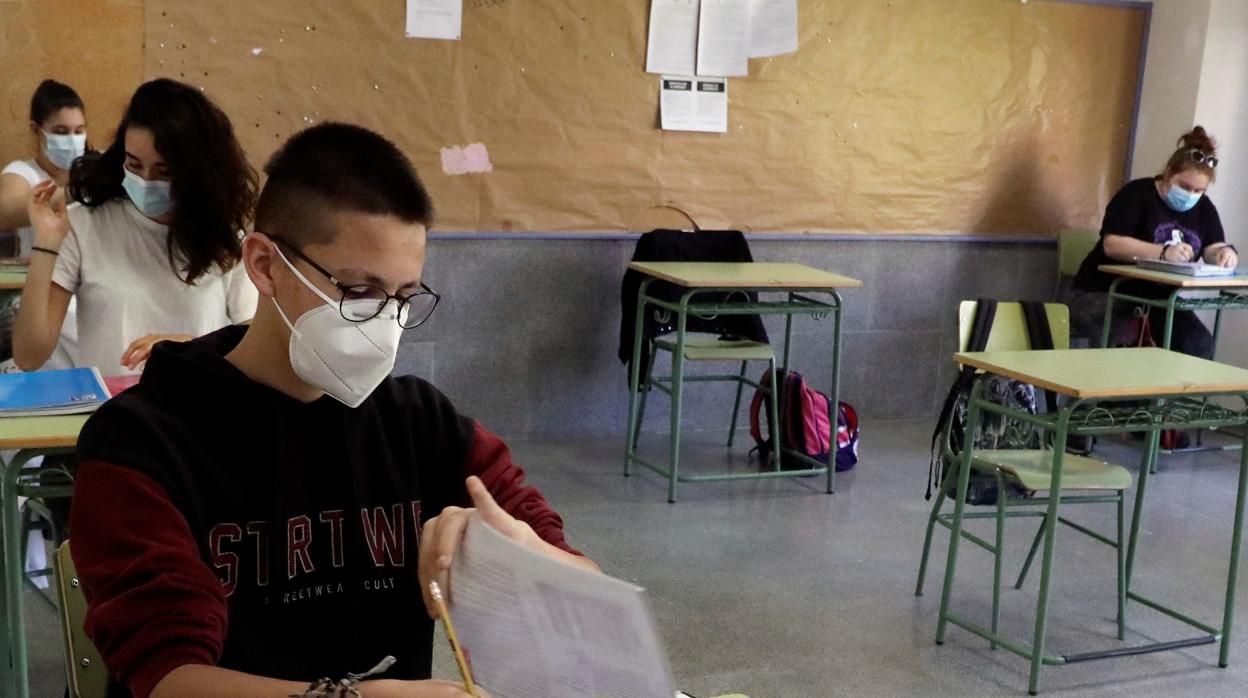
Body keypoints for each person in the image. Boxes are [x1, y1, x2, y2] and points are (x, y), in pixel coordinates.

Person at [68, 122, 597, 697]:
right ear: (265, 265)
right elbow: (170, 680)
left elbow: (588, 589)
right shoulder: (143, 442)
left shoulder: (420, 424)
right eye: (358, 290)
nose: (386, 322)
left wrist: (523, 554)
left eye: (402, 297)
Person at [12, 78, 258, 377]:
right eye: (134, 164)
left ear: (197, 172)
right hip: (112, 413)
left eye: (163, 171)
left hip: (194, 411)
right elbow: (28, 356)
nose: (145, 180)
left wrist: (191, 347)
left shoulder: (225, 237)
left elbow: (253, 339)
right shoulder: (85, 225)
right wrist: (47, 242)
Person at [1069, 126, 1236, 358]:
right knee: (1127, 345)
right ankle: (1125, 395)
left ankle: (1164, 395)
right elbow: (1112, 244)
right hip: (1104, 292)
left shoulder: (1205, 208)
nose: (1191, 194)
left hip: (1157, 301)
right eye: (1185, 186)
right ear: (1168, 174)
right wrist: (1162, 252)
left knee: (1197, 345)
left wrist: (1224, 253)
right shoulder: (1136, 194)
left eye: (1199, 190)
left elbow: (1212, 247)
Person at [1, 79, 88, 369]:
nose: (72, 140)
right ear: (36, 130)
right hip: (43, 284)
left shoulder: (93, 169)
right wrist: (78, 191)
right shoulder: (22, 173)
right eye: (61, 132)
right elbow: (7, 210)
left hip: (86, 282)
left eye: (79, 131)